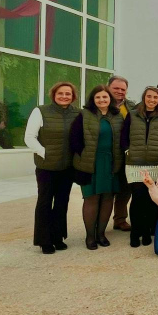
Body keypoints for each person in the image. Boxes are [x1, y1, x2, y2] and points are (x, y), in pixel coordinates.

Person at [24, 81, 79, 254]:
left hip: (67, 167)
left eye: (68, 94)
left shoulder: (77, 113)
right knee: (45, 202)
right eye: (60, 93)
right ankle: (44, 240)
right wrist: (44, 153)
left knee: (62, 202)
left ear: (73, 96)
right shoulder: (40, 111)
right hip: (46, 167)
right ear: (54, 95)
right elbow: (29, 137)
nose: (64, 96)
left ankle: (58, 237)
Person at [70, 85, 124, 250]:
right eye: (98, 97)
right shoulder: (84, 115)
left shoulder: (117, 116)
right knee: (91, 198)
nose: (102, 100)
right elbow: (74, 138)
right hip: (90, 163)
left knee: (108, 198)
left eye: (105, 97)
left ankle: (101, 234)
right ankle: (90, 236)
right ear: (93, 100)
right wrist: (84, 155)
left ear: (110, 99)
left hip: (112, 162)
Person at [122, 87, 158, 248]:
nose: (152, 99)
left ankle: (148, 231)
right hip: (135, 164)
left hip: (156, 163)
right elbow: (123, 135)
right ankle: (136, 233)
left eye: (155, 97)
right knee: (137, 199)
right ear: (144, 98)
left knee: (152, 199)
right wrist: (128, 150)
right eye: (149, 96)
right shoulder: (133, 114)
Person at [107, 75, 134, 232]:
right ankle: (101, 221)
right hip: (108, 154)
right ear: (108, 87)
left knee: (125, 189)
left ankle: (120, 219)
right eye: (116, 88)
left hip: (127, 154)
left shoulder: (131, 106)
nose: (119, 91)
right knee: (108, 191)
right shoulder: (101, 103)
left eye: (122, 89)